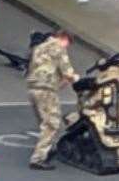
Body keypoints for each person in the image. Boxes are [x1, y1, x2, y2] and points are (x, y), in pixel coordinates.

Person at [25, 30, 79, 170]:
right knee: (52, 124)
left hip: (33, 88)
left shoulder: (39, 47)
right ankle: (38, 158)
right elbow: (68, 72)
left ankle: (50, 148)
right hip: (46, 90)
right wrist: (75, 78)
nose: (67, 46)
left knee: (45, 122)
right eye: (68, 43)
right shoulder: (58, 48)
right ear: (64, 38)